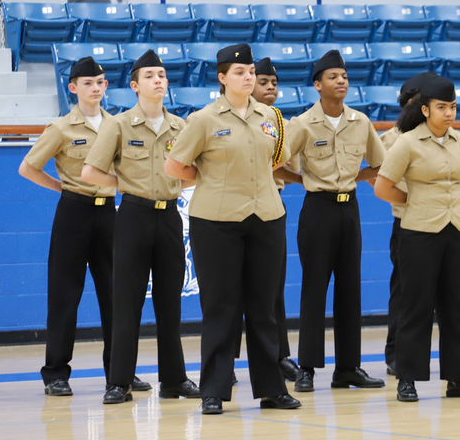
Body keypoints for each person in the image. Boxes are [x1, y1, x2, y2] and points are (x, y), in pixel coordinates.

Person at [165, 43, 299, 414]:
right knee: (220, 307)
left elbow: (277, 161)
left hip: (267, 218)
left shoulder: (271, 116)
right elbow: (175, 166)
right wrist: (209, 179)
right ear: (222, 78)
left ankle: (272, 388)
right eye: (240, 72)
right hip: (217, 223)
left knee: (264, 309)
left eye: (251, 71)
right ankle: (214, 389)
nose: (248, 77)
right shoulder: (204, 119)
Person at [81, 50, 200, 404]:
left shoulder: (181, 127)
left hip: (169, 217)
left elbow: (195, 173)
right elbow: (90, 172)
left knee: (170, 304)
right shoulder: (118, 125)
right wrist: (128, 183)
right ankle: (119, 381)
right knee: (127, 303)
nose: (158, 80)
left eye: (162, 75)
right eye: (150, 76)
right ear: (135, 85)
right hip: (133, 215)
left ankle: (174, 380)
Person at [373, 73, 460, 402]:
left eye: (452, 107)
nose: (449, 113)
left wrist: (451, 201)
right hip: (418, 233)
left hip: (458, 232)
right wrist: (415, 202)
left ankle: (457, 378)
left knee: (454, 308)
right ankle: (407, 378)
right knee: (416, 307)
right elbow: (382, 187)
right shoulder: (407, 143)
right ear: (425, 110)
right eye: (442, 107)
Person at [19, 57, 128, 395]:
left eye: (100, 83)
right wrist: (60, 187)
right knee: (65, 294)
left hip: (109, 213)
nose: (95, 89)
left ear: (106, 86)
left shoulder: (119, 125)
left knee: (116, 294)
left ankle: (119, 372)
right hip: (73, 213)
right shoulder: (61, 128)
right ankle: (56, 373)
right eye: (87, 84)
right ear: (73, 88)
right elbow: (28, 168)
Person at [282, 50, 386, 393]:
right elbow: (274, 162)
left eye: (343, 75)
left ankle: (348, 367)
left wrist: (354, 179)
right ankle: (307, 368)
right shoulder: (302, 124)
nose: (341, 81)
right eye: (332, 76)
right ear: (317, 85)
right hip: (318, 208)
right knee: (314, 288)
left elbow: (379, 163)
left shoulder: (360, 122)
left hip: (349, 208)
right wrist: (305, 180)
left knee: (350, 288)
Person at [224, 57, 302, 386]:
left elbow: (283, 164)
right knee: (228, 291)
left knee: (271, 290)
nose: (269, 87)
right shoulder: (222, 117)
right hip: (232, 206)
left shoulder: (277, 121)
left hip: (270, 205)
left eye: (273, 82)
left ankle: (279, 355)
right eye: (263, 81)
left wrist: (302, 179)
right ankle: (225, 361)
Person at [381, 71, 438, 378]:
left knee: (445, 292)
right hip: (407, 224)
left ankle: (456, 355)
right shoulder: (392, 139)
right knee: (404, 292)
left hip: (443, 225)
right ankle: (395, 353)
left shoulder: (446, 137)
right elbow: (384, 182)